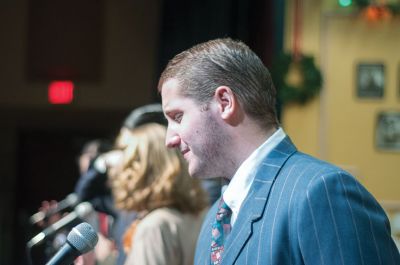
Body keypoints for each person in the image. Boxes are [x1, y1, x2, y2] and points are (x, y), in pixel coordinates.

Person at [158, 38, 400, 264]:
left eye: (178, 116)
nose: (170, 139)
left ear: (225, 102)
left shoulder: (320, 193)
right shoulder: (214, 218)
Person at [108, 123, 208, 265]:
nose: (117, 169)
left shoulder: (153, 228)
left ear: (141, 171)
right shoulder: (200, 217)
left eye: (126, 160)